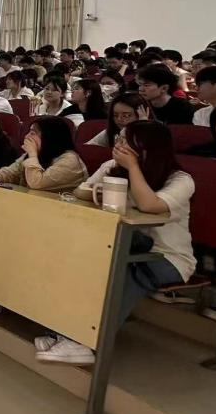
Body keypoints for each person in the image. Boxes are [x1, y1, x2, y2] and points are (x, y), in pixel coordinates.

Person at [36, 122, 197, 364]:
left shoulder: (181, 180)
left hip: (168, 257)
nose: (117, 145)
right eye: (118, 138)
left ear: (146, 146)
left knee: (125, 269)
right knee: (76, 258)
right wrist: (99, 191)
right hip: (121, 245)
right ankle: (65, 331)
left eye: (125, 141)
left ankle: (86, 342)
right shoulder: (112, 167)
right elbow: (81, 191)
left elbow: (149, 205)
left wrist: (133, 167)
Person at [0, 117, 88, 320]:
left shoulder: (69, 161)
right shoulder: (35, 155)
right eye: (29, 131)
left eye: (34, 133)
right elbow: (10, 171)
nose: (28, 136)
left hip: (63, 225)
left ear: (51, 137)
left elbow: (37, 183)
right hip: (32, 217)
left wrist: (33, 155)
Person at [86, 93, 151, 147]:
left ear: (142, 114)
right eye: (115, 115)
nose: (119, 119)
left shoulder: (154, 134)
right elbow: (86, 148)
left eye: (126, 116)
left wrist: (143, 126)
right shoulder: (111, 132)